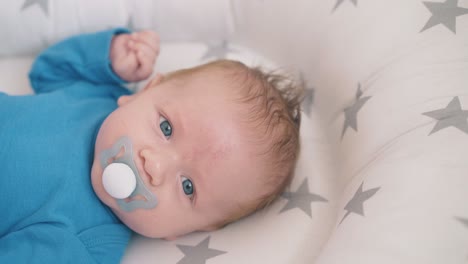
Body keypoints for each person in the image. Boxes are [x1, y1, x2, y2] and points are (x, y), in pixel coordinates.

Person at [0, 28, 302, 263]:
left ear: (185, 231)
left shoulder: (84, 244)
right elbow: (48, 71)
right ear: (145, 91)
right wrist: (112, 55)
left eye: (187, 187)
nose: (154, 166)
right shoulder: (99, 94)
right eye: (166, 128)